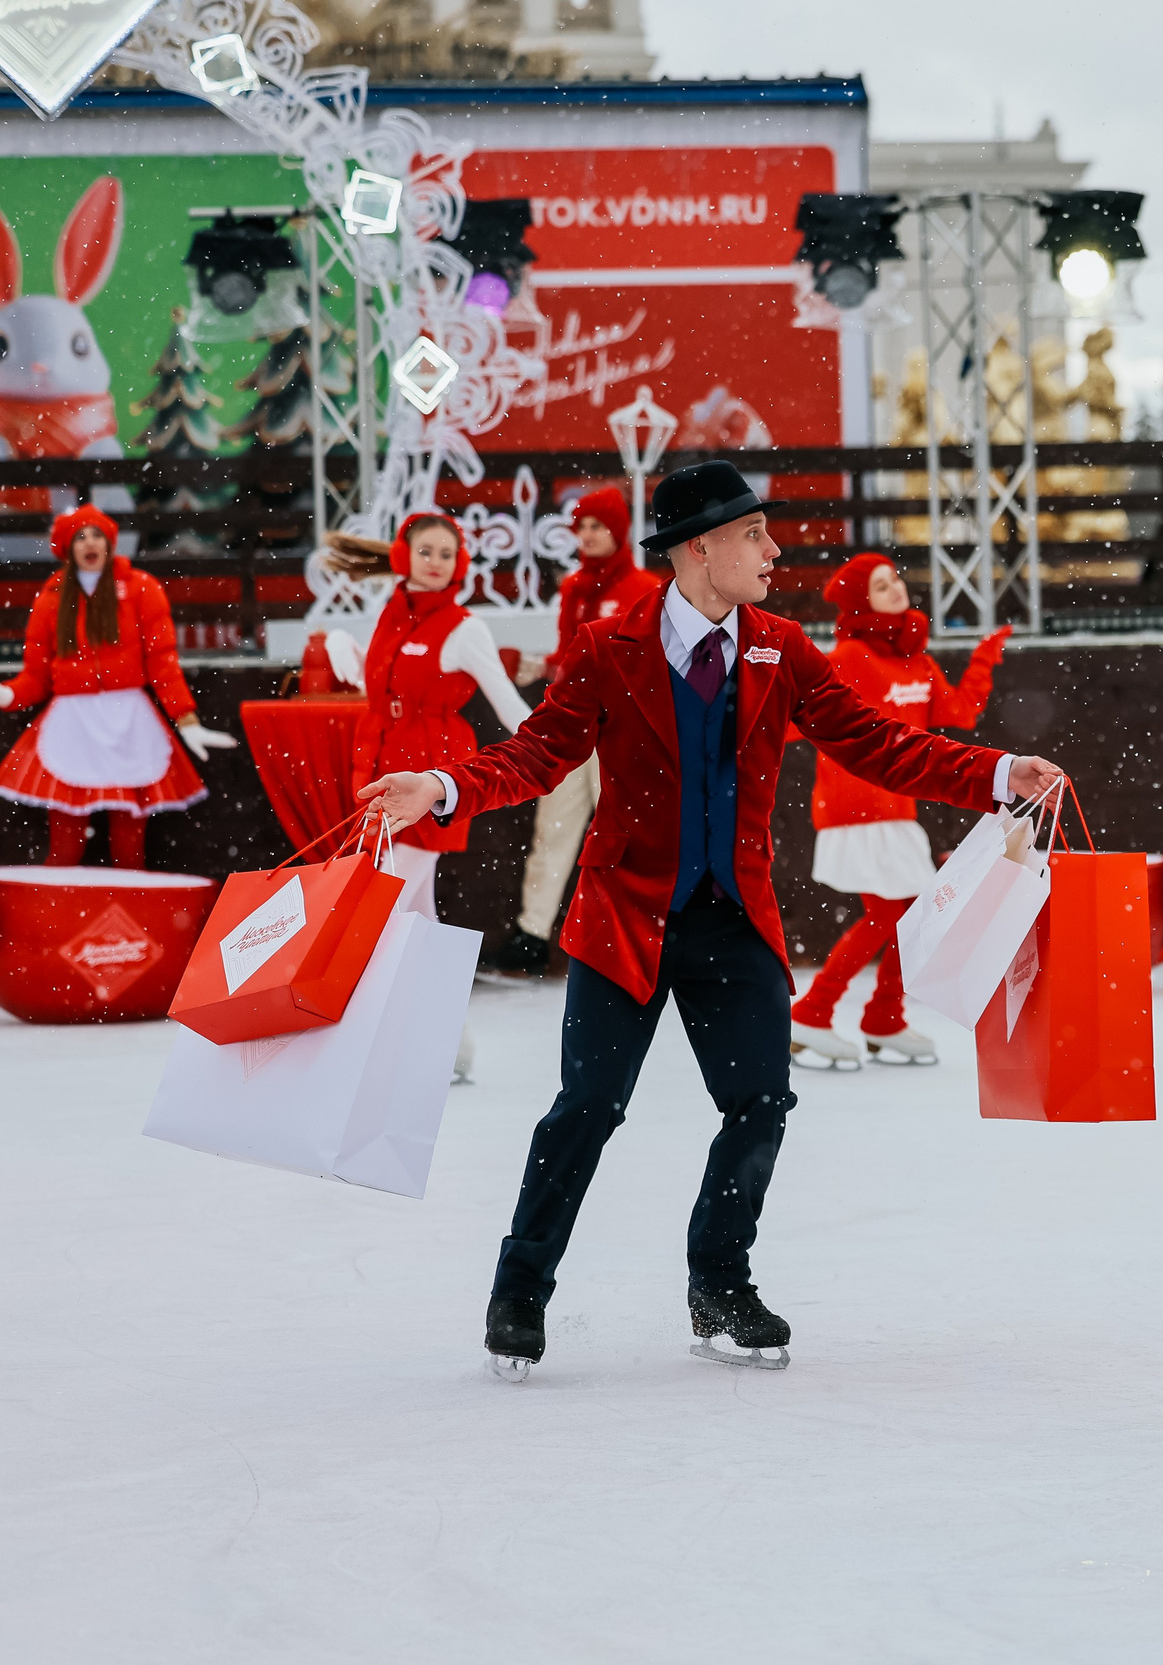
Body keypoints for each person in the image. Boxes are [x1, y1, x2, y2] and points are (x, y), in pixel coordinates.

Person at [357, 461, 1067, 1379]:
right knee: (586, 1109)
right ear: (701, 548)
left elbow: (879, 744)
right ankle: (520, 1290)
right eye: (754, 535)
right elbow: (537, 752)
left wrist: (996, 775)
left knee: (760, 1102)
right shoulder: (613, 648)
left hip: (734, 921)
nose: (774, 552)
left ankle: (719, 1281)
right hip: (625, 917)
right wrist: (444, 785)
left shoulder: (779, 648)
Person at [321, 513, 532, 1081]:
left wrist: (568, 744)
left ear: (458, 562)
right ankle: (451, 1047)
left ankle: (367, 1040)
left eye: (447, 552)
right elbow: (383, 689)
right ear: (405, 556)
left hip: (432, 788)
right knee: (415, 918)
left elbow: (512, 708)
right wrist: (344, 648)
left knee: (380, 910)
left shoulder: (465, 629)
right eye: (426, 551)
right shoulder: (390, 615)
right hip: (381, 781)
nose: (436, 561)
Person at [788, 552, 1010, 1070]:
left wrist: (983, 660)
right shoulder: (848, 656)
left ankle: (881, 1017)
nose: (895, 589)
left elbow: (959, 711)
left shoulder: (916, 658)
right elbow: (801, 718)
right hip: (856, 806)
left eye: (895, 579)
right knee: (897, 915)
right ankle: (815, 1013)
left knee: (911, 915)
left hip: (897, 806)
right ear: (859, 600)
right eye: (880, 584)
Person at [483, 486, 659, 978]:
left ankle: (635, 933)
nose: (588, 535)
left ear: (619, 530)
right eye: (581, 526)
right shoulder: (575, 588)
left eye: (597, 525)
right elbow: (575, 657)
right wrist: (541, 665)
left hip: (623, 730)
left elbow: (644, 661)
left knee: (627, 833)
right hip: (577, 728)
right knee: (553, 832)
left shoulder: (642, 586)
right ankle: (533, 935)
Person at [0, 504, 235, 863]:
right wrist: (7, 694)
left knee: (129, 841)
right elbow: (36, 678)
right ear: (66, 548)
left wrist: (187, 720)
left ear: (110, 544)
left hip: (128, 723)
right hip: (73, 725)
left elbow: (163, 662)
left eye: (97, 535)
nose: (89, 543)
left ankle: (130, 908)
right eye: (80, 536)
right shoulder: (51, 599)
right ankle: (59, 911)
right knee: (65, 840)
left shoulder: (142, 589)